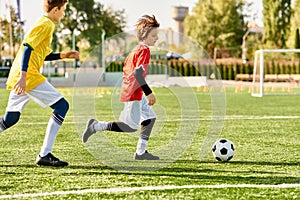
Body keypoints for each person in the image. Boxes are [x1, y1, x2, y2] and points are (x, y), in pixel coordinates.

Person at [0, 0, 79, 167]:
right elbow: (28, 48)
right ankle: (45, 154)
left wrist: (64, 55)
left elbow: (42, 54)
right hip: (27, 76)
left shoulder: (44, 23)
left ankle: (45, 154)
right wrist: (23, 76)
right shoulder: (46, 24)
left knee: (10, 119)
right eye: (63, 10)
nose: (63, 14)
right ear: (56, 9)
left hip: (21, 76)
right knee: (62, 106)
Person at [82, 15, 160, 160]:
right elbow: (137, 74)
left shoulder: (135, 50)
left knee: (150, 117)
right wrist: (149, 93)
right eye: (154, 35)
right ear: (145, 35)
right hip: (134, 93)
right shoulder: (144, 50)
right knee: (130, 127)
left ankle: (140, 152)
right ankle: (96, 126)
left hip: (133, 90)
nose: (157, 38)